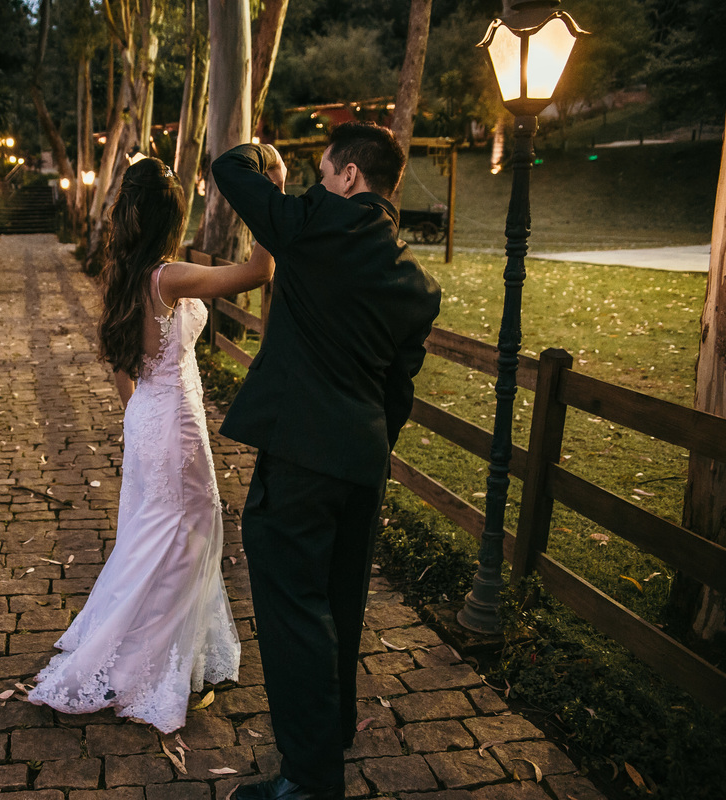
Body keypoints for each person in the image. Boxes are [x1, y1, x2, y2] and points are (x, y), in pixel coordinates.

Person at [214, 123, 442, 800]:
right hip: (363, 460)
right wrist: (366, 443)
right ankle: (328, 739)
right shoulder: (414, 282)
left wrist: (271, 165)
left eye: (322, 171)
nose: (317, 183)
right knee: (339, 603)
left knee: (295, 612)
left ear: (348, 177)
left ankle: (309, 782)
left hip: (302, 457)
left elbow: (230, 170)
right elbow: (398, 388)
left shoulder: (314, 222)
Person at [27, 156, 281, 733]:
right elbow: (260, 270)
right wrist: (274, 192)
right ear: (172, 217)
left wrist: (137, 419)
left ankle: (158, 648)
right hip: (173, 419)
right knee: (188, 536)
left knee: (154, 534)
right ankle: (152, 664)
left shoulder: (123, 272)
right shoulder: (169, 277)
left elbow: (123, 364)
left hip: (146, 415)